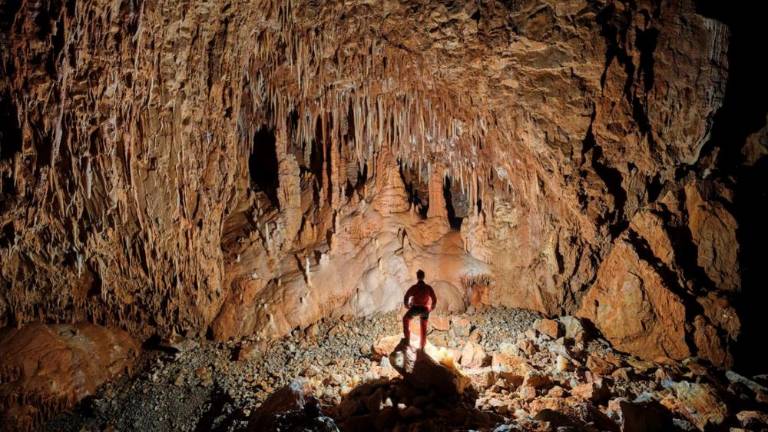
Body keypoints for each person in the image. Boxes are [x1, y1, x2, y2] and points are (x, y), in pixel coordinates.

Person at [402, 269, 437, 350]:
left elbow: (406, 296)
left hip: (415, 308)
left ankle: (407, 340)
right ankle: (422, 346)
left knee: (405, 319)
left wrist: (407, 305)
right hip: (425, 309)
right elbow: (434, 298)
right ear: (423, 277)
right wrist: (432, 307)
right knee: (423, 326)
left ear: (417, 277)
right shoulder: (428, 288)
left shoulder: (414, 287)